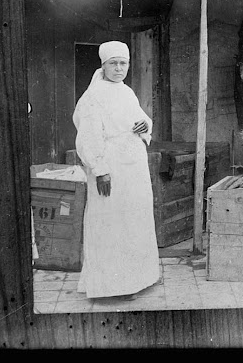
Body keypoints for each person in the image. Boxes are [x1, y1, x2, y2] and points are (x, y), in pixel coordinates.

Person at [73, 41, 160, 300]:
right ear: (103, 65)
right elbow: (88, 135)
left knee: (134, 219)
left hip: (133, 165)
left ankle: (136, 279)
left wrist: (144, 127)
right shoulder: (94, 96)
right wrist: (100, 169)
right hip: (111, 164)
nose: (119, 68)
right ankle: (112, 287)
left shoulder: (126, 91)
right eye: (114, 63)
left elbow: (141, 119)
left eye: (124, 63)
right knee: (110, 221)